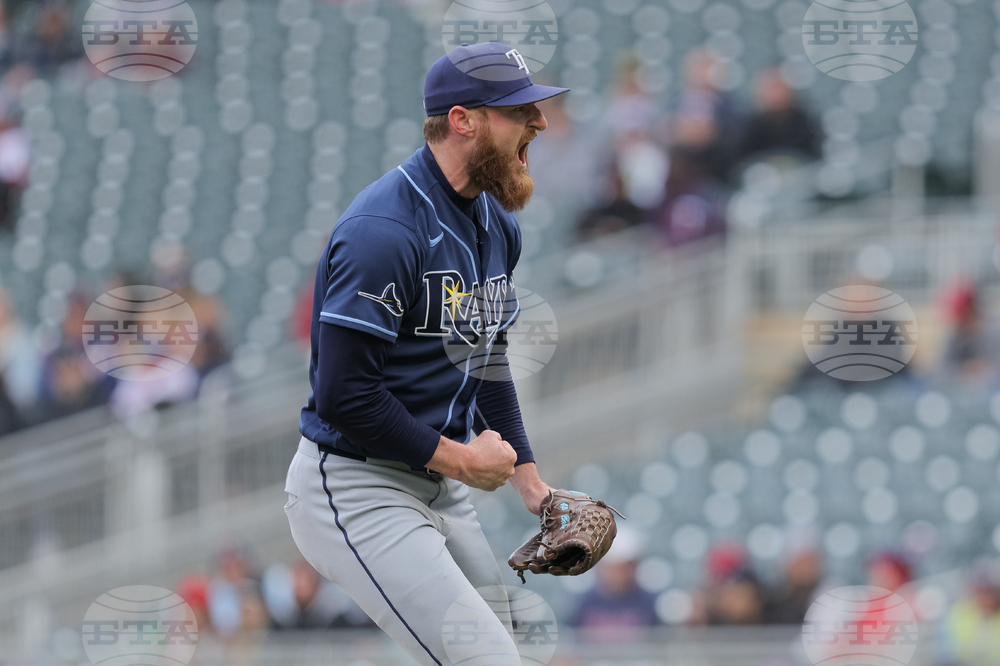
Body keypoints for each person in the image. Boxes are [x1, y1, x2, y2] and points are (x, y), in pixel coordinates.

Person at [283, 42, 566, 664]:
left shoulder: (497, 223)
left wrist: (531, 484)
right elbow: (345, 396)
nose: (539, 122)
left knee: (507, 650)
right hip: (355, 484)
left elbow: (485, 358)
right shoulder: (385, 231)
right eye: (519, 109)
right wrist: (465, 462)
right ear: (462, 119)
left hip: (437, 479)